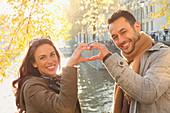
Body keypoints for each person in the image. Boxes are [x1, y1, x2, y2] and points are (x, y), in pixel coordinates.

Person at [89, 9, 170, 113]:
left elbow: (149, 92)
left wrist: (108, 59)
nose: (121, 40)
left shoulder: (164, 54)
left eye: (123, 32)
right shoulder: (126, 63)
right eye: (115, 37)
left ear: (137, 27)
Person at [12, 36, 91, 113]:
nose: (50, 61)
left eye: (52, 54)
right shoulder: (31, 88)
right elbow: (64, 108)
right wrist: (70, 66)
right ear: (34, 63)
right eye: (43, 58)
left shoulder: (55, 80)